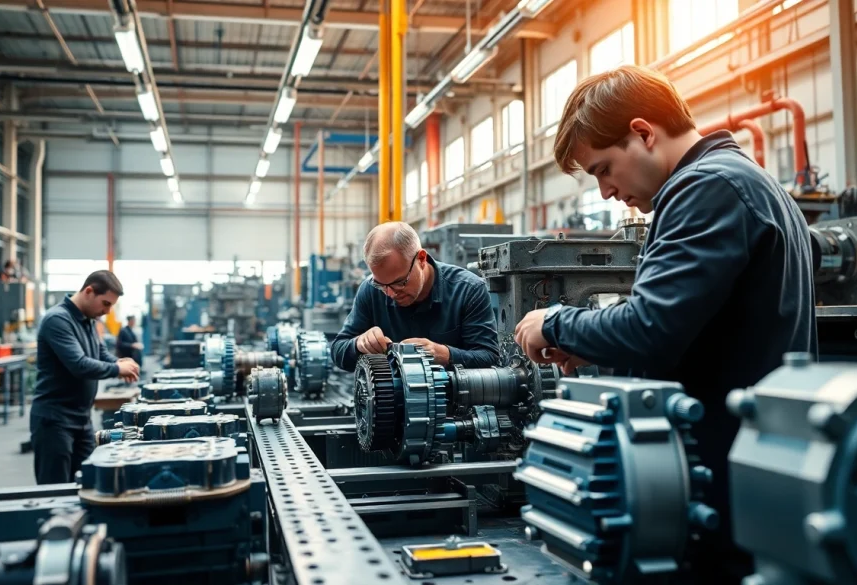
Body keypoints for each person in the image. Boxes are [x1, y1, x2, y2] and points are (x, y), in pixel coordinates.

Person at [511, 65, 816, 584]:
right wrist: (597, 343)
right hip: (757, 469)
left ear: (643, 133)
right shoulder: (750, 181)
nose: (606, 191)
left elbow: (650, 328)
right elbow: (696, 327)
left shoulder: (706, 188)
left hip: (719, 478)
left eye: (604, 169)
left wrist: (556, 323)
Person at [330, 221, 499, 372]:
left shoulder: (468, 290)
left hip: (452, 404)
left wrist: (445, 355)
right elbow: (338, 350)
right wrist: (359, 344)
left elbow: (489, 357)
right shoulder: (370, 290)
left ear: (421, 259)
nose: (390, 293)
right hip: (390, 403)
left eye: (399, 282)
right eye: (382, 285)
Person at [30, 270, 140, 484]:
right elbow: (78, 365)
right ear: (89, 291)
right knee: (55, 490)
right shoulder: (58, 320)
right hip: (55, 421)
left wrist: (118, 362)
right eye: (106, 304)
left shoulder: (88, 320)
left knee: (89, 483)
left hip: (81, 419)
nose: (107, 312)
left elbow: (99, 353)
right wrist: (117, 370)